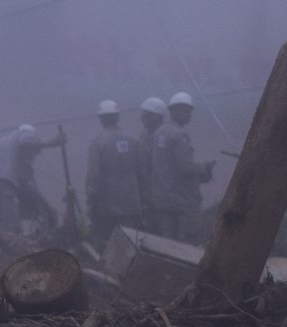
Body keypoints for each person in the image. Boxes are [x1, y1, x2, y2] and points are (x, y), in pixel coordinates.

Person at [149, 91, 214, 240]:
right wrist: (204, 167)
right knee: (182, 240)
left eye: (189, 111)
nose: (188, 115)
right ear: (174, 111)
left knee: (166, 237)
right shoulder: (180, 134)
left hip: (161, 196)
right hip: (179, 199)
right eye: (185, 111)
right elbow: (185, 167)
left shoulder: (159, 132)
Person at [83, 99, 146, 242]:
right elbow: (141, 172)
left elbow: (93, 175)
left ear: (101, 119)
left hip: (106, 204)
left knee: (104, 241)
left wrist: (91, 199)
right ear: (117, 117)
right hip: (131, 202)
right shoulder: (132, 140)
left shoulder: (98, 143)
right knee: (128, 241)